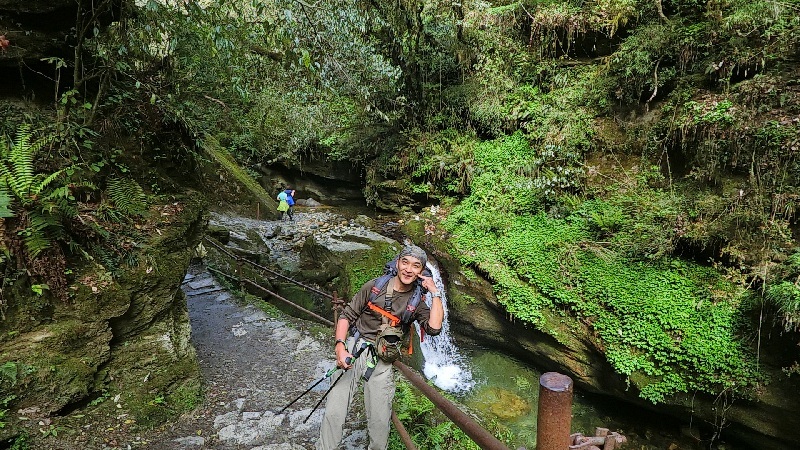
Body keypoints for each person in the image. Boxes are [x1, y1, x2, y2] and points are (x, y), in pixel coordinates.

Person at [316, 245, 443, 450]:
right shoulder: (375, 286)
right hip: (355, 348)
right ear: (397, 263)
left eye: (416, 266)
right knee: (334, 411)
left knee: (380, 421)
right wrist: (340, 347)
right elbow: (346, 316)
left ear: (421, 272)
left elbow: (434, 328)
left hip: (383, 358)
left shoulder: (417, 302)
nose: (409, 269)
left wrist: (435, 292)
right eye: (405, 263)